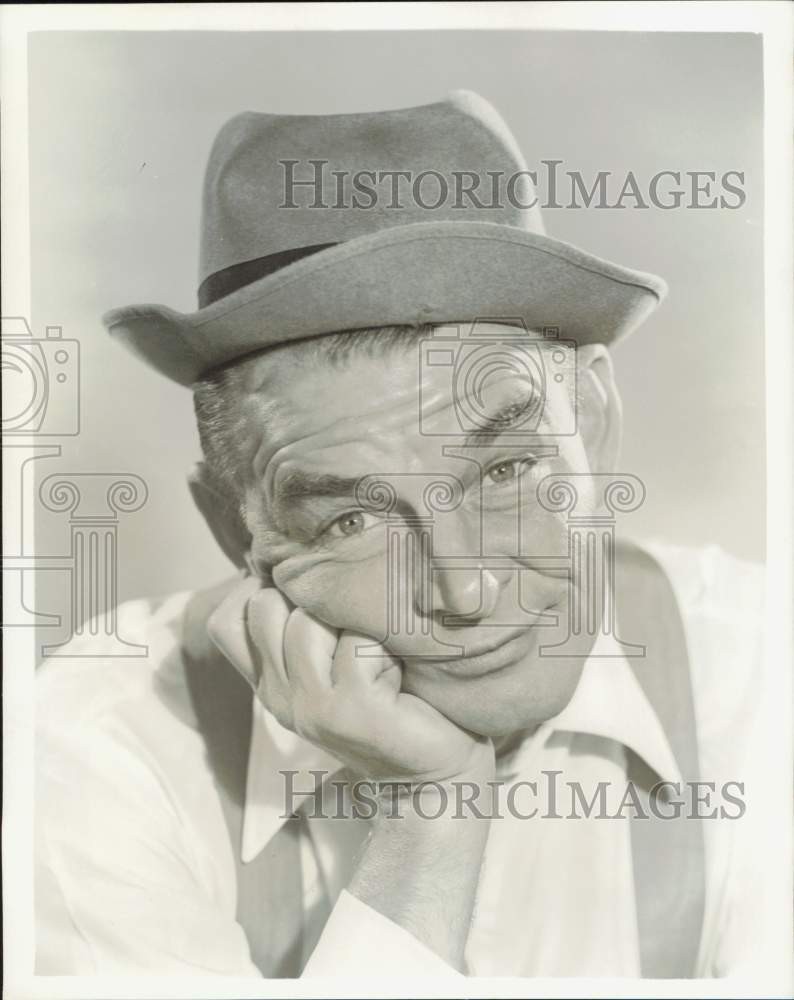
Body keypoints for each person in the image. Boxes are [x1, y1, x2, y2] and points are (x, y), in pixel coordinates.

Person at [35, 91, 765, 979]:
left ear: (597, 424)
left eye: (504, 472)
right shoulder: (104, 746)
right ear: (240, 532)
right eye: (353, 519)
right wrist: (431, 815)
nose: (465, 591)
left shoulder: (764, 674)